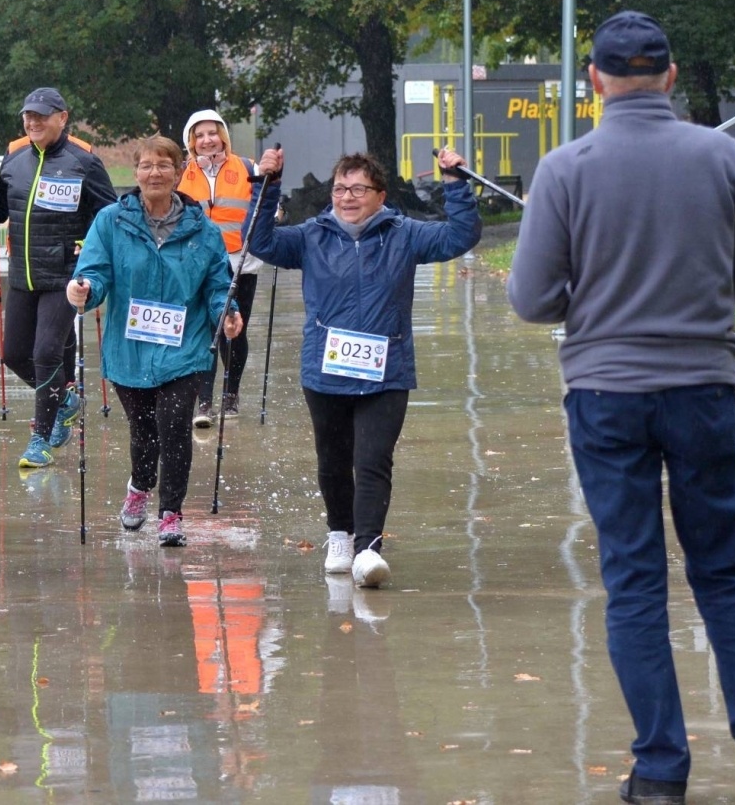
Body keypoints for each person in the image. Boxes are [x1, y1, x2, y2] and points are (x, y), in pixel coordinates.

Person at [507, 10, 735, 804]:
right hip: (703, 389)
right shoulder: (720, 157)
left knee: (636, 581)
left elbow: (533, 299)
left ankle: (660, 771)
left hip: (607, 396)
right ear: (672, 77)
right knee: (724, 571)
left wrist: (598, 288)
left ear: (596, 83)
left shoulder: (564, 169)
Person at [246, 146, 480, 588]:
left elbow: (458, 238)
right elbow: (261, 244)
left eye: (358, 189)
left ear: (380, 195)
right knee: (333, 461)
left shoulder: (404, 233)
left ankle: (368, 547)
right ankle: (340, 534)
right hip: (325, 371)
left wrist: (455, 184)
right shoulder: (312, 236)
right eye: (340, 188)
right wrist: (266, 184)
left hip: (386, 371)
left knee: (373, 460)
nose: (347, 197)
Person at [68, 136, 241, 546]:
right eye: (146, 166)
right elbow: (94, 273)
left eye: (164, 165)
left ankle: (171, 513)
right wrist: (84, 291)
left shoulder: (204, 230)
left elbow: (218, 287)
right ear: (135, 173)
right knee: (144, 431)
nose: (155, 173)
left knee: (174, 424)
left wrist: (226, 315)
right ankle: (140, 486)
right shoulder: (111, 221)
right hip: (129, 349)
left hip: (186, 347)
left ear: (180, 172)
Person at [0, 87, 116, 468]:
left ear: (62, 118)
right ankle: (65, 400)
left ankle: (41, 437)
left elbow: (109, 213)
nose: (32, 122)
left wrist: (90, 245)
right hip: (23, 274)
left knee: (46, 352)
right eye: (27, 116)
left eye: (41, 116)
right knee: (14, 354)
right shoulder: (14, 157)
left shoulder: (84, 161)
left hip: (65, 274)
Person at [178, 109, 263, 427]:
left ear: (223, 135)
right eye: (199, 135)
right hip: (198, 263)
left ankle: (231, 393)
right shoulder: (182, 173)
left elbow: (264, 205)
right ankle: (204, 401)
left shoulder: (246, 167)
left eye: (212, 133)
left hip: (241, 262)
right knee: (204, 331)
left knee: (233, 329)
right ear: (191, 141)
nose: (206, 140)